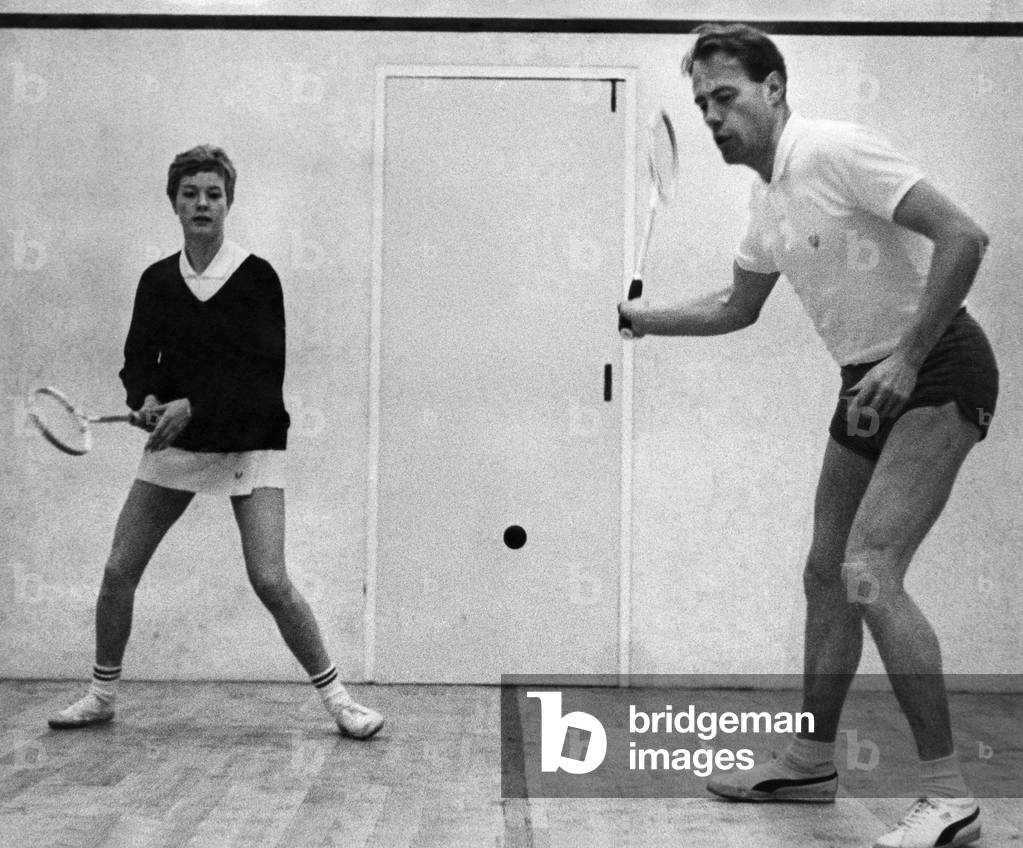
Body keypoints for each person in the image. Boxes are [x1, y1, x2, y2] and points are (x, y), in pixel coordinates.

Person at [619, 24, 996, 848]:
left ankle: (946, 794)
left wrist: (907, 356)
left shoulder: (833, 150)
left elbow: (964, 237)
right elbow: (733, 307)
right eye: (702, 104)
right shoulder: (766, 204)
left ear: (774, 89)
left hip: (938, 368)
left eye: (727, 97)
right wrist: (646, 320)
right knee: (826, 573)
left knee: (868, 569)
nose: (713, 117)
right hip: (864, 380)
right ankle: (809, 762)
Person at [48, 145, 383, 740]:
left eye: (213, 194)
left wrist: (194, 404)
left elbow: (262, 374)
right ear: (174, 202)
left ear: (229, 202)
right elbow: (137, 362)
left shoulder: (256, 277)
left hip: (248, 442)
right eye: (190, 194)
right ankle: (100, 695)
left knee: (270, 579)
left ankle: (341, 702)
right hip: (177, 444)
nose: (202, 204)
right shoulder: (156, 280)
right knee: (119, 569)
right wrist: (147, 399)